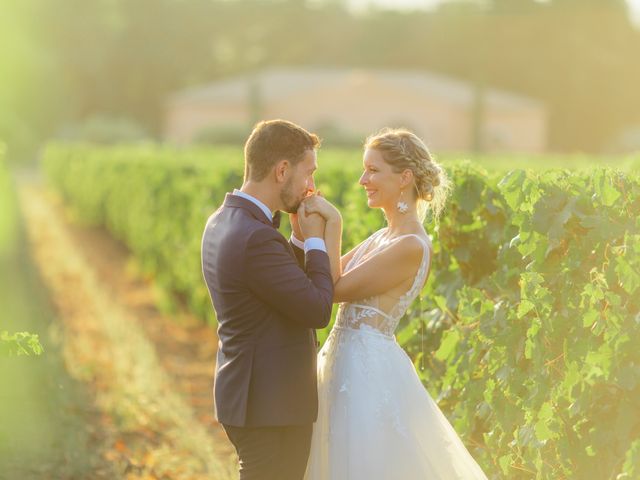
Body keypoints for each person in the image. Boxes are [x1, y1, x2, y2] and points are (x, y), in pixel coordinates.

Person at [299, 128, 488, 479]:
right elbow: (328, 276)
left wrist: (333, 222)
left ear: (404, 178)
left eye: (373, 170)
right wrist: (306, 227)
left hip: (366, 372)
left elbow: (334, 288)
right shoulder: (384, 236)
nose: (362, 180)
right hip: (342, 364)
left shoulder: (411, 245)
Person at [201, 119, 334, 480]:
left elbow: (274, 284)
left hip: (252, 398)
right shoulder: (256, 237)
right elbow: (318, 308)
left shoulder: (224, 221)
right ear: (281, 171)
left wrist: (296, 240)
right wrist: (318, 238)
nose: (312, 187)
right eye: (309, 173)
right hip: (270, 407)